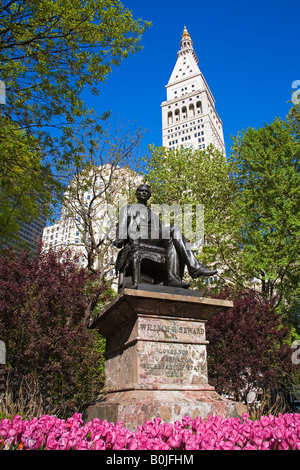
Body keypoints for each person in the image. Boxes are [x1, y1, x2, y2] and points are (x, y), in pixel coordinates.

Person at [115, 184, 217, 289]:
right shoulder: (127, 208)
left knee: (172, 242)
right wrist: (119, 239)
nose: (144, 193)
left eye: (147, 192)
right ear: (136, 193)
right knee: (174, 229)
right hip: (137, 237)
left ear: (149, 196)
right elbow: (122, 226)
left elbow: (160, 232)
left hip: (151, 238)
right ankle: (195, 268)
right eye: (141, 191)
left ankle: (173, 279)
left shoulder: (154, 214)